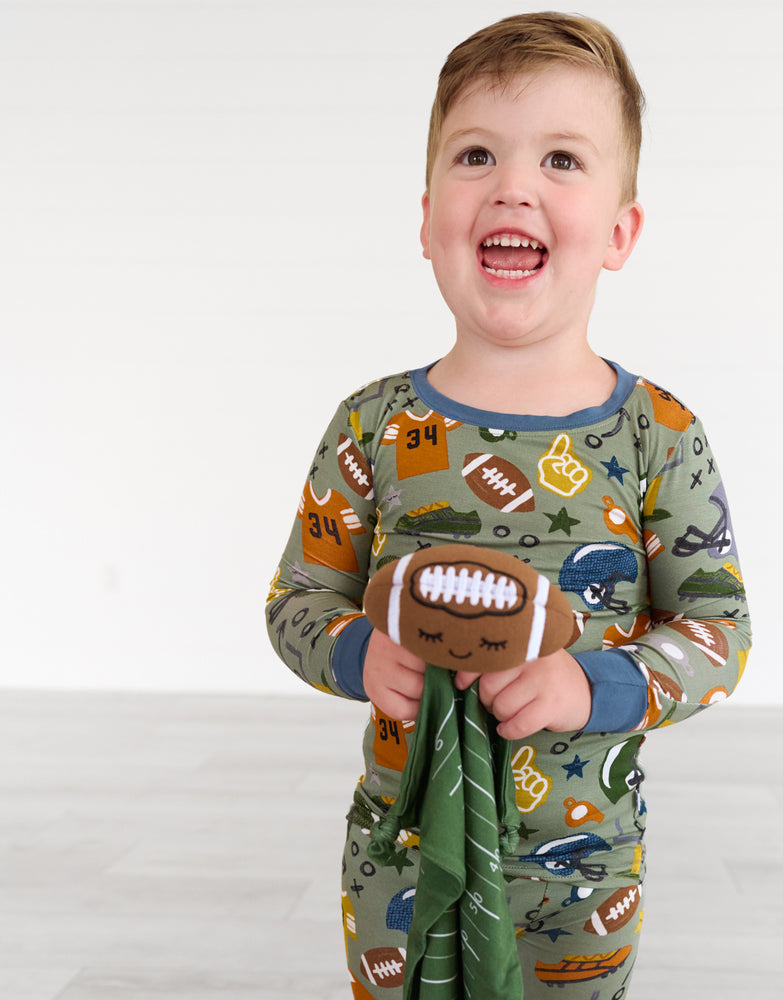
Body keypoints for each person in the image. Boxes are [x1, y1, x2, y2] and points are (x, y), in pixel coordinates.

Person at [265, 12, 751, 998]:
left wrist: (595, 687)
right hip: (404, 851)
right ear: (427, 215)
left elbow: (717, 632)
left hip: (583, 872)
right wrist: (364, 650)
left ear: (619, 232)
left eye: (562, 159)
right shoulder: (373, 428)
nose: (512, 185)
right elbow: (296, 601)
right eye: (475, 153)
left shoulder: (657, 432)